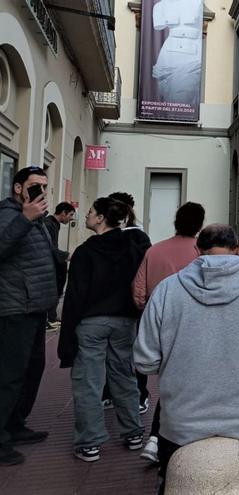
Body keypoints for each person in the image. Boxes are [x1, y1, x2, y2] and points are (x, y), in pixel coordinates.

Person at [134, 224, 239, 493]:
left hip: (180, 422)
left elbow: (145, 361)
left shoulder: (167, 290)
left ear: (197, 249)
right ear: (238, 248)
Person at [58, 197, 147, 462]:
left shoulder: (86, 252)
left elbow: (75, 295)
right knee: (124, 375)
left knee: (89, 381)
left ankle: (90, 442)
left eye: (90, 212)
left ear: (100, 218)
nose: (86, 215)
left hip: (91, 321)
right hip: (124, 321)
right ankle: (133, 432)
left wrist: (68, 335)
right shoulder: (132, 246)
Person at [131, 202, 205, 463]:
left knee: (168, 378)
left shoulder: (155, 250)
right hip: (191, 324)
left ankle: (155, 437)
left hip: (157, 322)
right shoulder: (200, 253)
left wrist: (148, 310)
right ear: (200, 224)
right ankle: (163, 437)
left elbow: (139, 292)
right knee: (186, 381)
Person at [0, 167, 55, 466]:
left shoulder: (36, 219)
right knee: (9, 376)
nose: (41, 192)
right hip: (14, 308)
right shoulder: (10, 215)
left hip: (35, 306)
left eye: (44, 187)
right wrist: (25, 219)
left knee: (32, 370)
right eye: (35, 186)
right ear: (19, 188)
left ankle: (15, 425)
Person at [103, 192, 151, 414]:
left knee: (110, 351)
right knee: (134, 351)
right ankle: (139, 394)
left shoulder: (106, 240)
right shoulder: (141, 238)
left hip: (110, 305)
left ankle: (110, 393)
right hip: (133, 304)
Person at [45, 202, 76, 324]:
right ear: (63, 213)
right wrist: (66, 256)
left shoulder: (54, 224)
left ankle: (51, 317)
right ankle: (50, 318)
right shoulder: (49, 224)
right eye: (71, 214)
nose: (72, 218)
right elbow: (49, 247)